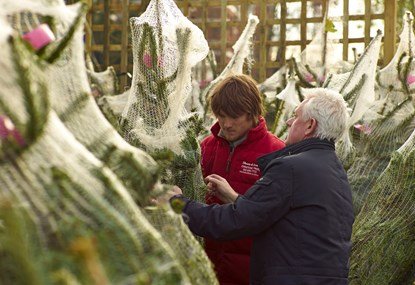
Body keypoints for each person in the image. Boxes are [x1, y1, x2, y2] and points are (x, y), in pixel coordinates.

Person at [168, 88, 354, 285]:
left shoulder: (290, 167)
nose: (289, 122)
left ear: (310, 126)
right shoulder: (335, 170)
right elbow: (277, 216)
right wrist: (238, 200)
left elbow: (237, 220)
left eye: (295, 116)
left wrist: (178, 204)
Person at [200, 74, 285, 285]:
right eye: (221, 116)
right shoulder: (206, 147)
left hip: (251, 270)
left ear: (253, 113)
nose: (226, 124)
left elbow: (274, 218)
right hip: (209, 266)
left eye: (234, 117)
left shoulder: (275, 152)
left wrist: (234, 198)